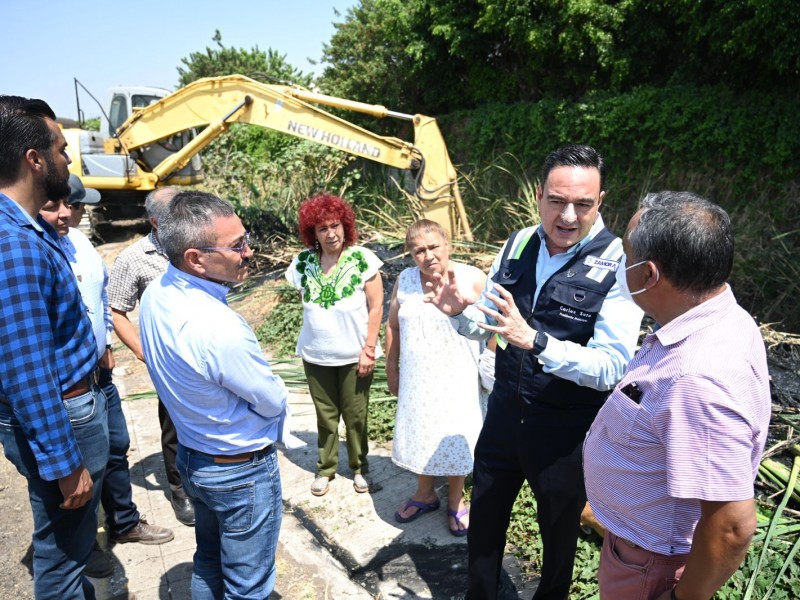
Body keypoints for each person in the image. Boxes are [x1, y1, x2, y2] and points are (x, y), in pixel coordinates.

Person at [426, 144, 644, 599]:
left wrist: (538, 342)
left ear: (600, 201)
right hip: (504, 414)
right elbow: (490, 323)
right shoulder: (518, 242)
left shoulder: (618, 263)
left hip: (564, 430)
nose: (567, 216)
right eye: (556, 201)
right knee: (484, 525)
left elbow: (612, 366)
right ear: (539, 195)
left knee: (558, 541)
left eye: (583, 204)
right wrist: (457, 315)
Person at [583, 191, 771, 600]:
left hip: (650, 569)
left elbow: (732, 525)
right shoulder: (714, 315)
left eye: (625, 256)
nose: (619, 264)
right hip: (641, 551)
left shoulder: (696, 379)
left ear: (648, 275)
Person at [139, 190, 289, 599]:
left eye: (246, 238)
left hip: (194, 458)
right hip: (239, 472)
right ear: (196, 259)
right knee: (248, 585)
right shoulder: (217, 327)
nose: (249, 251)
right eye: (237, 245)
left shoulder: (156, 294)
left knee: (208, 560)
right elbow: (272, 399)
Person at [0, 95, 110, 599]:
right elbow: (24, 369)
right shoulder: (16, 244)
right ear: (34, 159)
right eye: (62, 148)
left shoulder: (23, 229)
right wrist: (65, 465)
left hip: (66, 409)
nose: (68, 158)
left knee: (67, 545)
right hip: (65, 414)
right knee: (65, 555)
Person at [38, 176, 174, 578]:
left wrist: (107, 345)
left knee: (116, 448)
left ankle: (125, 522)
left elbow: (99, 301)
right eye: (61, 206)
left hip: (98, 373)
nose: (71, 215)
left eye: (76, 207)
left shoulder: (80, 243)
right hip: (69, 384)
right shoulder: (35, 250)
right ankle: (83, 546)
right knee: (80, 470)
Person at [385, 219, 486, 536]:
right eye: (419, 250)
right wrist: (392, 368)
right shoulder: (405, 279)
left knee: (454, 435)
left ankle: (455, 501)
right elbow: (393, 326)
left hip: (458, 375)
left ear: (448, 245)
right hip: (418, 377)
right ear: (411, 255)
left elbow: (495, 327)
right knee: (422, 431)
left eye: (433, 247)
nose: (427, 255)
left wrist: (492, 368)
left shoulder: (472, 277)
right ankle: (425, 494)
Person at [285, 192, 384, 497]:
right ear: (312, 233)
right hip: (316, 355)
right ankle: (325, 468)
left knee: (355, 416)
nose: (331, 233)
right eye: (323, 228)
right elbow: (307, 302)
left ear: (346, 226)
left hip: (355, 356)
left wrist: (369, 349)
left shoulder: (362, 259)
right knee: (325, 416)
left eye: (336, 225)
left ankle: (359, 467)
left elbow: (377, 306)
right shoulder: (302, 264)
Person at [107, 186, 195, 526]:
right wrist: (144, 352)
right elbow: (116, 311)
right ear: (156, 221)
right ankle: (180, 490)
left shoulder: (194, 243)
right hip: (170, 361)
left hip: (208, 351)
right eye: (178, 212)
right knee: (175, 424)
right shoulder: (134, 259)